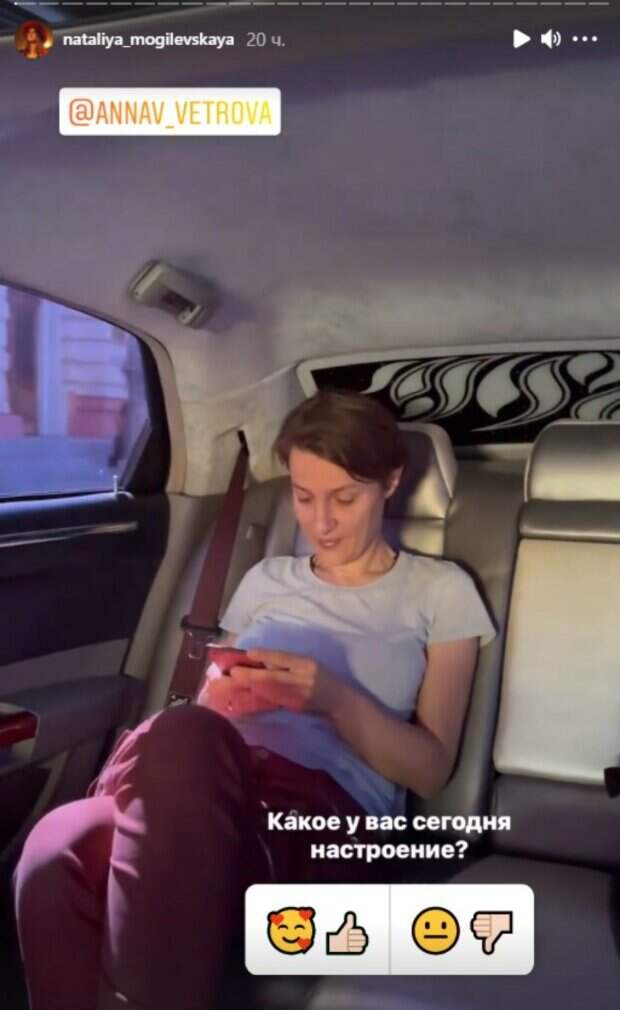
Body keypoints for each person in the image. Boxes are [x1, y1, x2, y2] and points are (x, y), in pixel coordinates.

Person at [12, 389, 496, 1010]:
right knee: (57, 842)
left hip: (321, 817)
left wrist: (332, 698)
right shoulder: (266, 579)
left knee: (181, 740)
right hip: (211, 788)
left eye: (345, 498)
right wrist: (223, 697)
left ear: (391, 482)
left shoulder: (439, 590)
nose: (321, 523)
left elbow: (431, 769)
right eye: (304, 497)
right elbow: (208, 711)